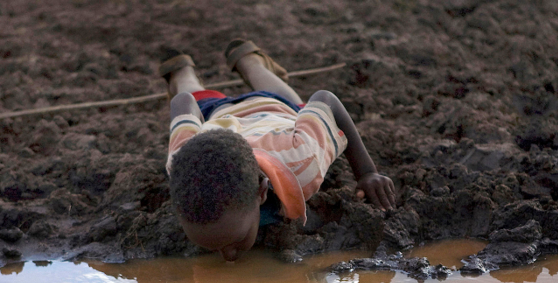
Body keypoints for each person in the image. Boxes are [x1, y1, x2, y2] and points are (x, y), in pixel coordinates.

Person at [161, 39, 396, 262]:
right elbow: (182, 101)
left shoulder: (302, 162)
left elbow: (327, 100)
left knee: (293, 104)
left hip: (274, 110)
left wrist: (366, 173)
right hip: (219, 115)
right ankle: (186, 72)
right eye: (209, 246)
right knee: (192, 92)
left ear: (262, 192)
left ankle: (248, 63)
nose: (229, 256)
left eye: (236, 241)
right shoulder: (180, 163)